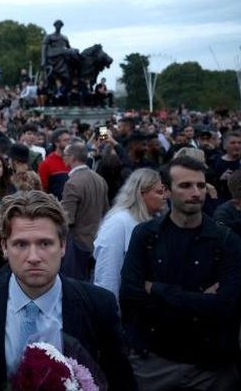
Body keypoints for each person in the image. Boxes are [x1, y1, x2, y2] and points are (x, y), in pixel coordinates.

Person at [0, 190, 136, 390]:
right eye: (21, 244)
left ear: (63, 246)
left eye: (45, 243)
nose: (33, 257)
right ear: (5, 247)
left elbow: (121, 379)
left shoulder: (98, 303)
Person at [120, 156, 241, 390]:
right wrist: (201, 300)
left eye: (201, 185)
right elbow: (130, 295)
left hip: (212, 366)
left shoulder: (227, 241)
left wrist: (155, 289)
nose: (196, 192)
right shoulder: (146, 236)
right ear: (166, 191)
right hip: (155, 363)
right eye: (185, 186)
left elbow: (226, 305)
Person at [92, 168, 167, 299]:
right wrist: (111, 311)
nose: (164, 197)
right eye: (159, 192)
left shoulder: (154, 220)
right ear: (142, 194)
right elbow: (108, 274)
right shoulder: (119, 222)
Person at [59, 142, 109, 280]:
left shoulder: (72, 183)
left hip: (77, 244)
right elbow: (106, 212)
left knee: (76, 286)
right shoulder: (99, 179)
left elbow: (67, 218)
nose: (63, 158)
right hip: (96, 240)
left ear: (73, 158)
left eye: (65, 155)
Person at [37, 128, 71, 199]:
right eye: (65, 140)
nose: (69, 143)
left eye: (69, 140)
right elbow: (43, 189)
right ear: (56, 142)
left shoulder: (73, 161)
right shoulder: (46, 163)